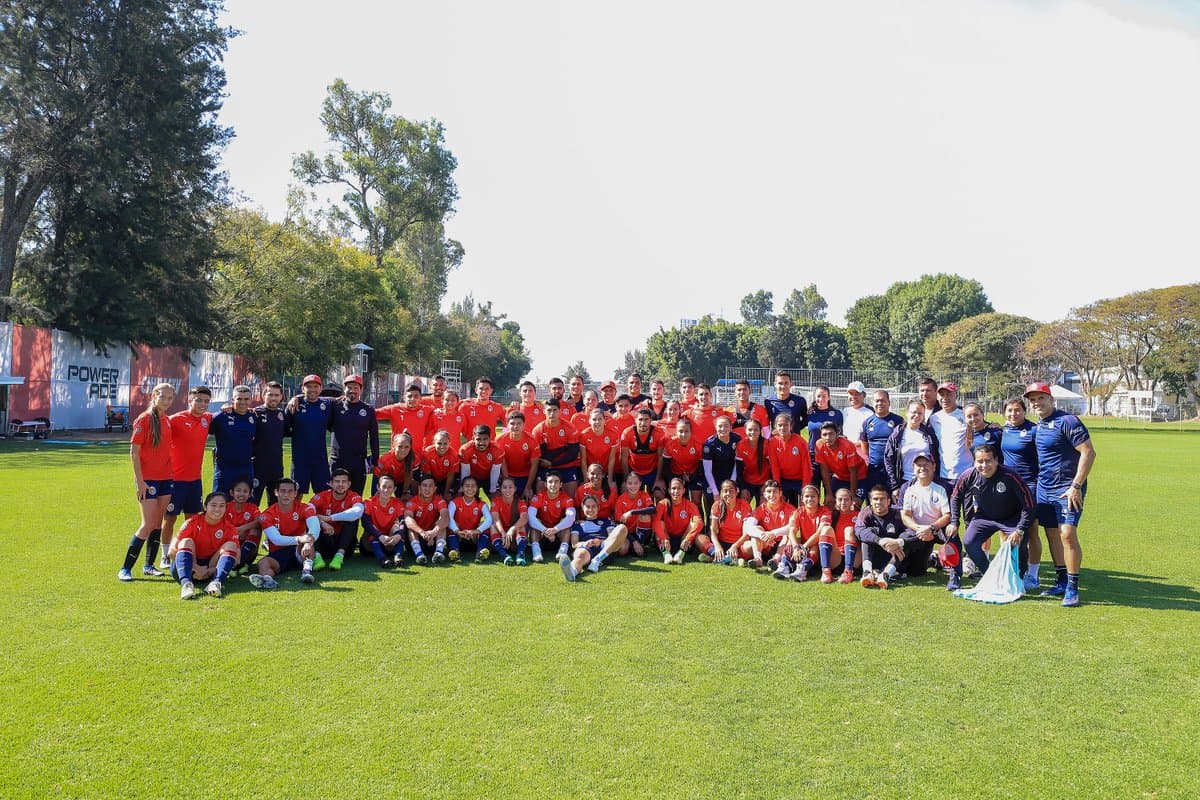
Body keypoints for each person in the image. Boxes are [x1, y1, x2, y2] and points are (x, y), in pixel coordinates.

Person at [1026, 382, 1096, 607]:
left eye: (1041, 398)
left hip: (1067, 489)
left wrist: (1076, 485)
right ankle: (1061, 581)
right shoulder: (1040, 425)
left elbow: (1088, 452)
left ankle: (1073, 589)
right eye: (1033, 400)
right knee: (1052, 534)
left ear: (1051, 399)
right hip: (1045, 489)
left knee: (1067, 534)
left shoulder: (1068, 421)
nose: (1037, 403)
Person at [946, 444, 1035, 592]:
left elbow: (1029, 504)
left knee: (1019, 544)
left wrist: (1020, 530)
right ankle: (990, 574)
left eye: (988, 461)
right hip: (984, 517)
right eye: (980, 461)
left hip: (1012, 518)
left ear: (996, 460)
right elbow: (956, 497)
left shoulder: (1010, 476)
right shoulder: (968, 475)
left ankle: (1019, 576)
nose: (984, 465)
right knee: (970, 541)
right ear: (974, 462)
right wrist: (954, 522)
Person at [119, 382, 176, 582]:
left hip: (166, 479)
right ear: (154, 395)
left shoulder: (167, 421)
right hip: (148, 480)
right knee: (148, 524)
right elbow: (134, 452)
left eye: (170, 398)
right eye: (163, 397)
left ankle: (149, 566)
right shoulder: (143, 420)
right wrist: (140, 481)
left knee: (158, 524)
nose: (167, 401)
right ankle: (125, 568)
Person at [158, 384, 213, 569]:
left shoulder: (207, 419)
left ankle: (187, 552)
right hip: (174, 481)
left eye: (206, 401)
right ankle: (165, 555)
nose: (202, 404)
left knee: (192, 520)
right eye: (198, 400)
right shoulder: (175, 420)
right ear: (190, 400)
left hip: (194, 481)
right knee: (170, 518)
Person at [853, 485, 935, 590]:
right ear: (870, 501)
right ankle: (867, 573)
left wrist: (898, 542)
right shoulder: (866, 513)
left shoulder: (898, 514)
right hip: (876, 555)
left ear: (888, 501)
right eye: (875, 499)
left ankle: (885, 575)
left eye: (882, 499)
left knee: (906, 539)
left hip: (897, 556)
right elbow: (859, 530)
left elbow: (914, 532)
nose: (878, 502)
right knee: (868, 534)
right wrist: (880, 540)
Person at [1001, 396, 1043, 590]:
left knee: (1031, 531)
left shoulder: (1034, 430)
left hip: (1030, 486)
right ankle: (1008, 569)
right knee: (1006, 529)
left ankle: (1032, 575)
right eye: (1009, 410)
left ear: (1024, 411)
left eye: (1017, 410)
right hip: (1009, 488)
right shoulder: (1003, 430)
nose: (1013, 414)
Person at [249, 478, 319, 589]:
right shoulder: (267, 514)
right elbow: (276, 539)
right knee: (263, 563)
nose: (286, 494)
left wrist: (308, 542)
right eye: (283, 491)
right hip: (278, 552)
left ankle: (307, 572)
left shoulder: (304, 508)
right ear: (276, 492)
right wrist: (300, 539)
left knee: (309, 540)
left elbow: (315, 525)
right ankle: (268, 580)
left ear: (295, 494)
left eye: (290, 491)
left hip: (299, 550)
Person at [168, 491, 239, 599]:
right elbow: (171, 551)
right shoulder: (192, 522)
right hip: (186, 568)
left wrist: (209, 570)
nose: (217, 509)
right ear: (205, 507)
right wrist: (195, 568)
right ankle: (186, 585)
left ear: (226, 508)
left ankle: (216, 583)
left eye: (221, 506)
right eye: (213, 505)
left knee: (231, 545)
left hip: (210, 571)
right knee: (186, 541)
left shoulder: (230, 528)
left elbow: (237, 559)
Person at [898, 454, 950, 577]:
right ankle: (933, 559)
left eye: (926, 464)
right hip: (916, 531)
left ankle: (955, 569)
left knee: (952, 535)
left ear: (934, 466)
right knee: (916, 572)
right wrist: (920, 530)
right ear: (913, 468)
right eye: (919, 465)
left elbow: (947, 515)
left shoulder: (943, 487)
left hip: (937, 530)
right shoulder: (907, 487)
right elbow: (905, 516)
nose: (922, 468)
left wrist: (931, 528)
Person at [560, 494, 630, 581]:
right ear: (583, 507)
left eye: (593, 506)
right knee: (580, 554)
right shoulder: (577, 524)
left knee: (622, 528)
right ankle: (572, 572)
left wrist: (601, 541)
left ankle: (597, 559)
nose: (590, 509)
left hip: (605, 548)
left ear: (598, 507)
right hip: (587, 548)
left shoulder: (606, 521)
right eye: (587, 507)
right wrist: (586, 543)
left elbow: (612, 537)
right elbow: (574, 544)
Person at [330, 374, 379, 496]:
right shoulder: (335, 406)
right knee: (336, 496)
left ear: (361, 390)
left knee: (356, 496)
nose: (352, 390)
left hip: (358, 461)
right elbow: (314, 399)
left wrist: (375, 460)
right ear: (344, 389)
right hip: (338, 460)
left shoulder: (368, 410)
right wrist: (297, 397)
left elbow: (374, 436)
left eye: (356, 387)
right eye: (349, 387)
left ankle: (355, 516)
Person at [286, 374, 335, 495]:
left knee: (324, 495)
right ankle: (297, 515)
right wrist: (296, 397)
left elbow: (341, 400)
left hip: (320, 460)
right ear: (303, 388)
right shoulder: (294, 405)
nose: (312, 389)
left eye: (315, 386)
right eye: (308, 386)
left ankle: (320, 515)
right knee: (296, 495)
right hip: (299, 460)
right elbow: (284, 430)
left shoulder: (327, 405)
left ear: (321, 388)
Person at [309, 467, 365, 571]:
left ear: (349, 484)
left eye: (344, 482)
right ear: (331, 483)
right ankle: (317, 557)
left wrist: (329, 518)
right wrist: (321, 522)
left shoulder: (354, 496)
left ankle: (339, 556)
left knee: (352, 520)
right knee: (312, 521)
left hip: (345, 545)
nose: (340, 484)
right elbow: (307, 512)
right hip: (324, 542)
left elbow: (358, 511)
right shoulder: (321, 496)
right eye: (337, 481)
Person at [883, 401, 941, 498]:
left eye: (920, 413)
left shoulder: (929, 433)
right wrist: (894, 486)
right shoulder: (898, 434)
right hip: (904, 481)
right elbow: (889, 460)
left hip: (926, 481)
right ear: (907, 413)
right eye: (913, 412)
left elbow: (936, 457)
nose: (916, 415)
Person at [210, 384, 257, 495]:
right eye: (239, 399)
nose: (243, 402)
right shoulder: (221, 417)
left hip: (246, 467)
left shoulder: (254, 416)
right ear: (232, 399)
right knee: (219, 500)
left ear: (250, 400)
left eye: (246, 399)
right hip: (224, 468)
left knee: (245, 501)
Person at [739, 480, 794, 569]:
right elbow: (748, 526)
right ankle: (758, 559)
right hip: (765, 544)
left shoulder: (790, 509)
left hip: (782, 544)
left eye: (775, 492)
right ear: (764, 494)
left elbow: (793, 527)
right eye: (769, 492)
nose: (772, 495)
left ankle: (776, 559)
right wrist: (762, 535)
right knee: (755, 532)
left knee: (788, 535)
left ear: (780, 493)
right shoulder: (760, 509)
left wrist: (773, 533)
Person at [531, 399, 582, 495]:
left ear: (560, 411)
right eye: (549, 410)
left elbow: (573, 454)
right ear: (544, 411)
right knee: (540, 489)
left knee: (570, 495)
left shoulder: (570, 428)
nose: (552, 413)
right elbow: (544, 454)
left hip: (567, 465)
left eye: (555, 410)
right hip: (546, 467)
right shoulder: (538, 430)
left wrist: (552, 463)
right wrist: (564, 448)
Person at [858, 389, 903, 495]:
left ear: (889, 402)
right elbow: (864, 442)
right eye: (877, 401)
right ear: (873, 403)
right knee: (874, 498)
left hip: (892, 469)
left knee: (893, 499)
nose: (879, 403)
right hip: (874, 469)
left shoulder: (898, 421)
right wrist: (869, 460)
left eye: (883, 400)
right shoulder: (867, 422)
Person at [697, 480, 752, 564]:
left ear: (737, 491)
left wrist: (735, 546)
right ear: (721, 493)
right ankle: (724, 557)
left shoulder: (744, 505)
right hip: (722, 544)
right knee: (698, 538)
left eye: (731, 491)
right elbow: (713, 530)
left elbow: (746, 535)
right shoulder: (717, 505)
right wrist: (717, 546)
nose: (728, 494)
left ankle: (716, 558)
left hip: (739, 545)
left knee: (751, 545)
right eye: (725, 491)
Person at [814, 421, 866, 508]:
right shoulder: (819, 445)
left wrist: (852, 497)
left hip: (859, 477)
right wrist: (829, 493)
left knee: (854, 505)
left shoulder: (848, 446)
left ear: (837, 434)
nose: (828, 437)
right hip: (840, 477)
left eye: (831, 434)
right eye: (824, 434)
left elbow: (854, 472)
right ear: (820, 436)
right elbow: (824, 469)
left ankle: (856, 520)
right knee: (830, 503)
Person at [251, 381, 287, 507]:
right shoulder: (255, 413)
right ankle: (251, 527)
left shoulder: (282, 414)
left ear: (281, 397)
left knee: (275, 504)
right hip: (257, 467)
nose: (273, 398)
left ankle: (271, 527)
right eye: (270, 394)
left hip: (276, 468)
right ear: (263, 395)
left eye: (276, 395)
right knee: (252, 503)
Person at [652, 476, 703, 564]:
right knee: (660, 523)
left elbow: (699, 523)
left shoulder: (690, 505)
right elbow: (655, 522)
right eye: (673, 488)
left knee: (693, 524)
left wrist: (688, 538)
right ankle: (666, 555)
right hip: (667, 540)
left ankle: (680, 555)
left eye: (679, 488)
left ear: (684, 490)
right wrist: (664, 538)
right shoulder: (662, 504)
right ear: (668, 490)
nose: (676, 491)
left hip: (683, 540)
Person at [528, 471, 577, 563]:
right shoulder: (539, 497)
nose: (553, 484)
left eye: (556, 481)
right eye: (550, 482)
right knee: (536, 522)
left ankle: (562, 552)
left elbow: (571, 517)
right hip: (543, 535)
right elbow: (530, 517)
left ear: (561, 484)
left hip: (558, 535)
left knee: (566, 523)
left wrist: (555, 530)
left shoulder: (566, 498)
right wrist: (545, 530)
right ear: (546, 484)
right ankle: (536, 553)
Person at [360, 474, 408, 568]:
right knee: (369, 533)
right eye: (384, 486)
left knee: (397, 528)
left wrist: (398, 535)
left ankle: (398, 556)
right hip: (372, 543)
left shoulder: (398, 503)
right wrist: (380, 536)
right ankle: (382, 559)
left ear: (394, 489)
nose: (386, 490)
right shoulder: (369, 502)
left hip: (390, 540)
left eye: (390, 487)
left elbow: (402, 521)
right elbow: (365, 522)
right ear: (378, 487)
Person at [766, 412, 812, 505]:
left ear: (791, 426)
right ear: (775, 426)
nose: (782, 428)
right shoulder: (772, 442)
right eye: (780, 425)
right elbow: (775, 467)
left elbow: (806, 467)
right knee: (778, 502)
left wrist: (805, 489)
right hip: (784, 480)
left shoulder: (801, 442)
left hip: (800, 480)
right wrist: (778, 488)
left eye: (785, 425)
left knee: (807, 503)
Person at [929, 382, 972, 483]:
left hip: (967, 473)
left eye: (949, 394)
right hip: (944, 474)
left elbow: (980, 426)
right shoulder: (934, 418)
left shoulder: (966, 415)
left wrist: (991, 425)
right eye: (942, 394)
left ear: (956, 395)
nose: (945, 398)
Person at [405, 475, 451, 565]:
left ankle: (439, 552)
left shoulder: (440, 501)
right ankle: (419, 554)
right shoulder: (412, 501)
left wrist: (434, 532)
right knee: (411, 528)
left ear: (435, 489)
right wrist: (422, 533)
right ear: (419, 488)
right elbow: (408, 519)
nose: (427, 488)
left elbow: (445, 518)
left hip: (433, 539)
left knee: (442, 525)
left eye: (430, 486)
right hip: (418, 538)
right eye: (424, 485)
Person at [495, 411, 541, 499]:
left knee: (527, 499)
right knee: (507, 501)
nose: (515, 426)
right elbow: (502, 463)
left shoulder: (532, 440)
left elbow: (534, 465)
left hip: (526, 476)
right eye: (512, 423)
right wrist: (507, 484)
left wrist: (528, 487)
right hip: (508, 475)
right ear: (507, 425)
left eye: (519, 423)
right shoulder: (500, 440)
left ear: (523, 424)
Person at [448, 476, 495, 562]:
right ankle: (455, 552)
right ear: (462, 488)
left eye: (473, 486)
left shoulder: (481, 503)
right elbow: (449, 518)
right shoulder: (454, 502)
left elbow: (489, 520)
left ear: (477, 488)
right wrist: (457, 531)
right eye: (467, 486)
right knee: (453, 525)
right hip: (459, 537)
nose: (470, 488)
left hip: (474, 539)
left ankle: (480, 552)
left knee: (484, 525)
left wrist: (476, 531)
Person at [621, 408, 667, 495]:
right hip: (634, 471)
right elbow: (624, 458)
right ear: (635, 420)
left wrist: (659, 479)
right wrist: (625, 480)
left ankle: (657, 508)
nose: (643, 423)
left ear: (651, 421)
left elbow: (661, 458)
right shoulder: (627, 433)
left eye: (646, 419)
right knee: (626, 492)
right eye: (640, 419)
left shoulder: (659, 434)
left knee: (659, 494)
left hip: (652, 472)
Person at [660, 417, 705, 506]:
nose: (683, 434)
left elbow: (701, 466)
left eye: (686, 431)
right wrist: (676, 480)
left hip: (694, 473)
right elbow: (666, 466)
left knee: (696, 500)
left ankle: (698, 518)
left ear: (691, 432)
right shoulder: (670, 443)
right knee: (677, 499)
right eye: (680, 431)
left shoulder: (698, 444)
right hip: (675, 473)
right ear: (676, 432)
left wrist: (691, 477)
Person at [224, 478, 263, 576]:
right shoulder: (226, 507)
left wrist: (242, 528)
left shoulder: (252, 507)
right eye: (238, 490)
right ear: (231, 493)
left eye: (245, 491)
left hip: (248, 546)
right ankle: (237, 564)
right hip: (229, 544)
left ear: (250, 494)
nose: (241, 494)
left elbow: (260, 520)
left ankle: (238, 564)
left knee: (256, 529)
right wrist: (234, 532)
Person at [489, 476, 530, 566]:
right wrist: (503, 533)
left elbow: (524, 518)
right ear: (500, 489)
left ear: (515, 489)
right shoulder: (496, 501)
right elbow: (495, 519)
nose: (507, 490)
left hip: (514, 536)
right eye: (504, 487)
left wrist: (512, 529)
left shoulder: (520, 501)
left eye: (510, 487)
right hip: (502, 536)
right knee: (492, 526)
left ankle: (520, 554)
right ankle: (504, 555)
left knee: (521, 525)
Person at [613, 471, 656, 557]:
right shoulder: (621, 499)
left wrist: (632, 512)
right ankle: (635, 547)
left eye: (636, 483)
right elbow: (618, 524)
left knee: (645, 516)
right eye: (630, 483)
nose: (633, 486)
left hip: (640, 531)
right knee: (622, 551)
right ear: (626, 484)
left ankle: (641, 544)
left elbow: (652, 509)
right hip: (627, 533)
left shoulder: (644, 495)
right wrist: (634, 541)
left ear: (640, 484)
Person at [826, 488, 862, 584]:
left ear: (852, 501)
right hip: (836, 557)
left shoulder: (859, 515)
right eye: (840, 499)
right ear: (836, 501)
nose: (843, 502)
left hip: (855, 557)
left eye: (846, 499)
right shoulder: (831, 515)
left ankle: (848, 571)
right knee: (825, 529)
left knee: (849, 530)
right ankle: (825, 571)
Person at [701, 414, 740, 502]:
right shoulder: (709, 444)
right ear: (715, 427)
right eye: (720, 426)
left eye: (726, 426)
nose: (723, 429)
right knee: (713, 504)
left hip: (731, 476)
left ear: (731, 427)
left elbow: (737, 463)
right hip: (713, 478)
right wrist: (715, 492)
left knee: (731, 504)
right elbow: (707, 471)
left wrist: (732, 483)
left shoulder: (737, 439)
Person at [459, 424, 504, 496]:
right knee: (467, 496)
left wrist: (493, 490)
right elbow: (465, 471)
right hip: (472, 477)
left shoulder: (497, 450)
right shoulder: (465, 450)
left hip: (490, 476)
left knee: (496, 497)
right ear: (473, 438)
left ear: (490, 438)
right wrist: (464, 488)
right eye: (478, 439)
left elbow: (495, 471)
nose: (481, 443)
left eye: (485, 439)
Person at [733, 417, 770, 503]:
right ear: (745, 431)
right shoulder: (741, 445)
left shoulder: (767, 444)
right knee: (743, 504)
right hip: (748, 482)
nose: (752, 432)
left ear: (760, 431)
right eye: (750, 430)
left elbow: (772, 467)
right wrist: (743, 488)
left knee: (763, 506)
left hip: (764, 482)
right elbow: (739, 469)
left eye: (756, 430)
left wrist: (768, 485)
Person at [579, 408, 619, 481]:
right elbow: (583, 459)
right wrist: (585, 479)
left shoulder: (613, 435)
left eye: (600, 419)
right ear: (590, 421)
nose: (597, 422)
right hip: (591, 472)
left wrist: (610, 479)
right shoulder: (584, 435)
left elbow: (612, 458)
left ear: (604, 420)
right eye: (594, 419)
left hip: (606, 470)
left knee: (613, 488)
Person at [804, 385, 843, 459]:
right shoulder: (810, 413)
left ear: (829, 397)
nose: (821, 399)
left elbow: (840, 436)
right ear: (815, 397)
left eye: (824, 396)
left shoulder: (837, 414)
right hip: (813, 454)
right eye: (818, 396)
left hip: (831, 454)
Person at [420, 429, 461, 499]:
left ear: (449, 443)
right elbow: (428, 474)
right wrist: (433, 492)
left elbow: (451, 475)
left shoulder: (454, 455)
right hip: (432, 478)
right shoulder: (427, 453)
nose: (442, 447)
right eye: (439, 443)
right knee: (431, 497)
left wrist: (446, 492)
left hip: (446, 479)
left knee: (449, 497)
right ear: (434, 443)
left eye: (445, 444)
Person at [374, 432, 418, 497]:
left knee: (407, 499)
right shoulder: (385, 460)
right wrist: (380, 492)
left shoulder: (413, 458)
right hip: (383, 479)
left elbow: (409, 477)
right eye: (400, 446)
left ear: (410, 447)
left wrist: (405, 492)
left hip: (401, 481)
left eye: (406, 447)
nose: (403, 450)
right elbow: (381, 479)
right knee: (378, 498)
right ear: (393, 446)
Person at [841, 380, 874, 449]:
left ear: (864, 395)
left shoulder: (870, 413)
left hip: (862, 453)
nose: (853, 396)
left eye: (857, 394)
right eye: (851, 393)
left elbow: (871, 436)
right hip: (845, 452)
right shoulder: (844, 411)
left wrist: (854, 444)